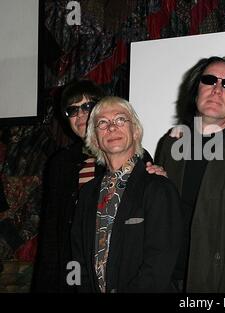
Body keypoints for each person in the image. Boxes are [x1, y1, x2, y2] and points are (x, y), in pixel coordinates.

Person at [154, 56, 225, 292]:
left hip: (210, 281)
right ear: (195, 89)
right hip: (164, 277)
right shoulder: (172, 145)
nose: (217, 89)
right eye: (210, 80)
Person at [71, 96, 182, 293]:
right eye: (102, 123)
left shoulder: (158, 187)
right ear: (95, 139)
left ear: (136, 131)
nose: (112, 127)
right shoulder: (87, 194)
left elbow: (159, 265)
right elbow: (78, 260)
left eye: (120, 119)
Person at [33, 80, 106, 292]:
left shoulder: (130, 155)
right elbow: (51, 232)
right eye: (72, 110)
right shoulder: (61, 163)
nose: (81, 115)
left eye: (88, 106)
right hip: (73, 268)